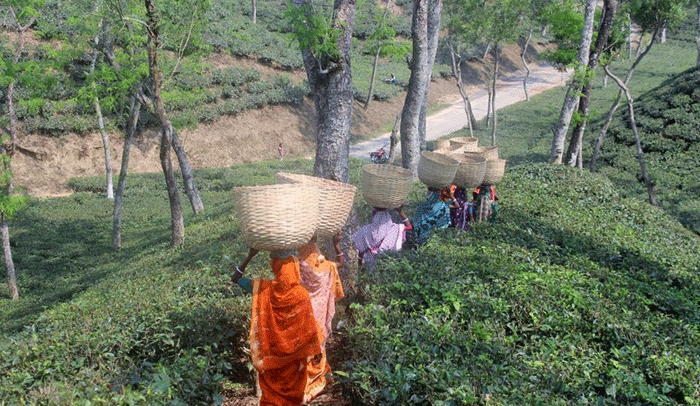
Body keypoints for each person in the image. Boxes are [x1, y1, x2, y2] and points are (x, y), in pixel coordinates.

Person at [233, 248, 323, 406]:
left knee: (271, 399)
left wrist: (250, 255)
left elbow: (235, 278)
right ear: (295, 269)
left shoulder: (263, 289)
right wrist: (316, 350)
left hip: (271, 359)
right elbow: (309, 327)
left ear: (275, 268)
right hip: (295, 361)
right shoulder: (301, 294)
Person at [297, 233, 345, 403]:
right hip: (319, 316)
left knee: (305, 347)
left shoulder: (300, 268)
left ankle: (307, 381)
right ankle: (320, 375)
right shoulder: (326, 268)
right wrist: (336, 245)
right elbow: (340, 263)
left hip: (304, 315)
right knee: (319, 345)